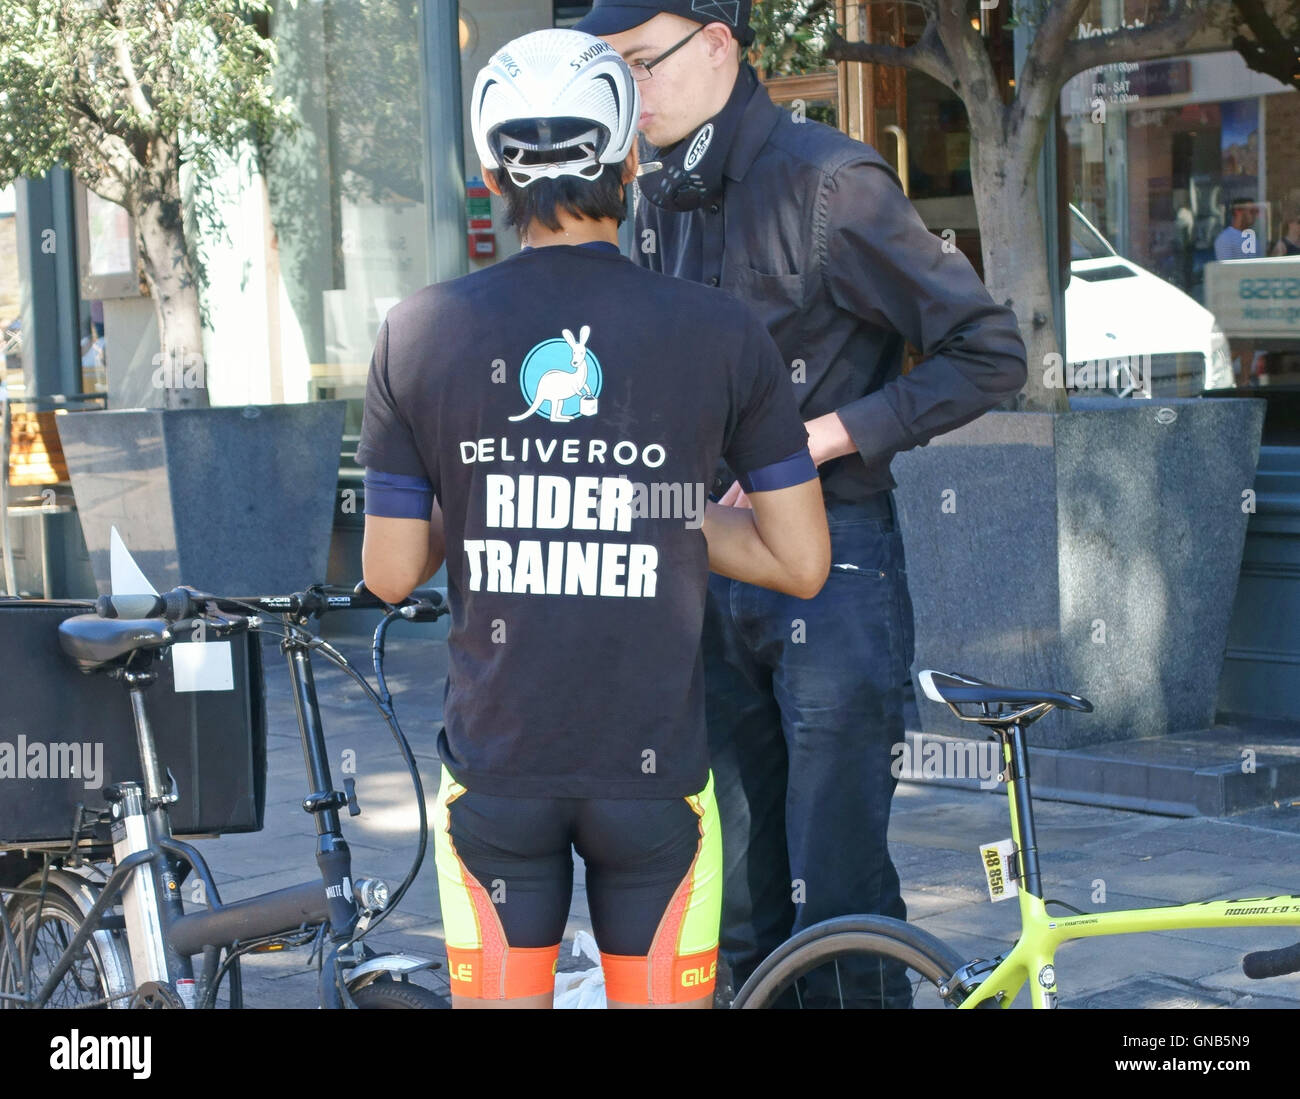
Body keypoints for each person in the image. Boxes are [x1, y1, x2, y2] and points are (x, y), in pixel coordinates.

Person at [356, 27, 830, 1009]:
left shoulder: (417, 332)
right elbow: (801, 561)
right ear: (626, 160)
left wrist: (491, 488)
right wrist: (654, 512)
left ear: (489, 169)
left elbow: (391, 570)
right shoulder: (723, 332)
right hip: (651, 775)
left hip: (499, 769)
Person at [578, 0, 1028, 1006]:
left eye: (642, 66)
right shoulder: (654, 202)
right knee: (732, 894)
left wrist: (825, 434)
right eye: (611, 74)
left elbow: (990, 353)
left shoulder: (833, 180)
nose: (629, 96)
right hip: (708, 569)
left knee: (837, 882)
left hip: (835, 563)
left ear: (719, 45)